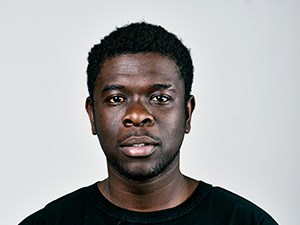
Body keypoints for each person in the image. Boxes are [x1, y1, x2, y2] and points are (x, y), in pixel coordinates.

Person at [19, 22, 278, 225]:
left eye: (160, 98)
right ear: (92, 115)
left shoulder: (245, 221)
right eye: (116, 98)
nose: (137, 114)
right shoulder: (49, 222)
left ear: (187, 114)